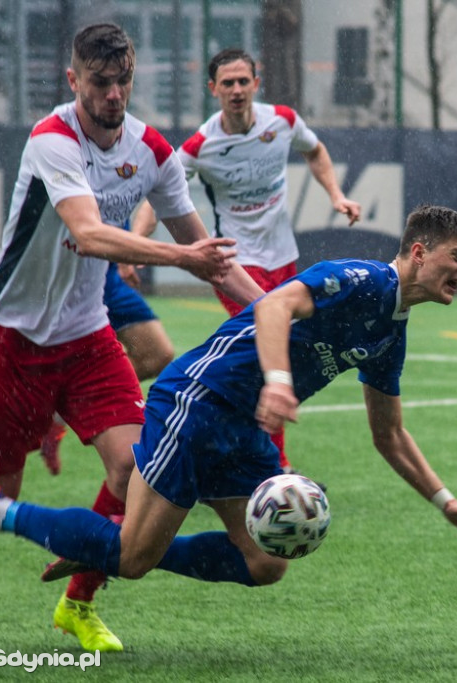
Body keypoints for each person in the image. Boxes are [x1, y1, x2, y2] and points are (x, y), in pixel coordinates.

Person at [0, 205, 457, 631]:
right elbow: (276, 304)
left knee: (265, 561)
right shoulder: (362, 280)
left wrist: (446, 503)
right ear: (419, 252)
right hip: (198, 402)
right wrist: (281, 382)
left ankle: (109, 541)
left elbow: (389, 435)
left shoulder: (392, 333)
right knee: (132, 560)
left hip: (243, 431)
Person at [0, 23, 264, 653]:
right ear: (73, 80)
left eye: (123, 81)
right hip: (10, 337)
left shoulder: (153, 152)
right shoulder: (51, 139)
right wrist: (182, 258)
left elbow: (214, 257)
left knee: (134, 469)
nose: (113, 94)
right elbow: (89, 234)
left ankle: (78, 602)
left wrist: (278, 315)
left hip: (87, 338)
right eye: (99, 82)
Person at [132, 48, 361, 475]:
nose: (236, 90)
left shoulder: (283, 122)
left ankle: (221, 443)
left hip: (284, 259)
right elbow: (159, 190)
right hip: (236, 265)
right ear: (212, 89)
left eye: (243, 81)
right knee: (266, 354)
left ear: (256, 83)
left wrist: (336, 194)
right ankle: (273, 465)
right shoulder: (202, 144)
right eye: (227, 83)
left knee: (273, 357)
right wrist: (134, 244)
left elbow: (315, 151)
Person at [0, 225, 177, 500]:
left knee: (156, 353)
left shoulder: (148, 181)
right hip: (72, 269)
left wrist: (131, 245)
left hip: (107, 270)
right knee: (30, 387)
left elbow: (152, 204)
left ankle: (56, 418)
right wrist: (152, 250)